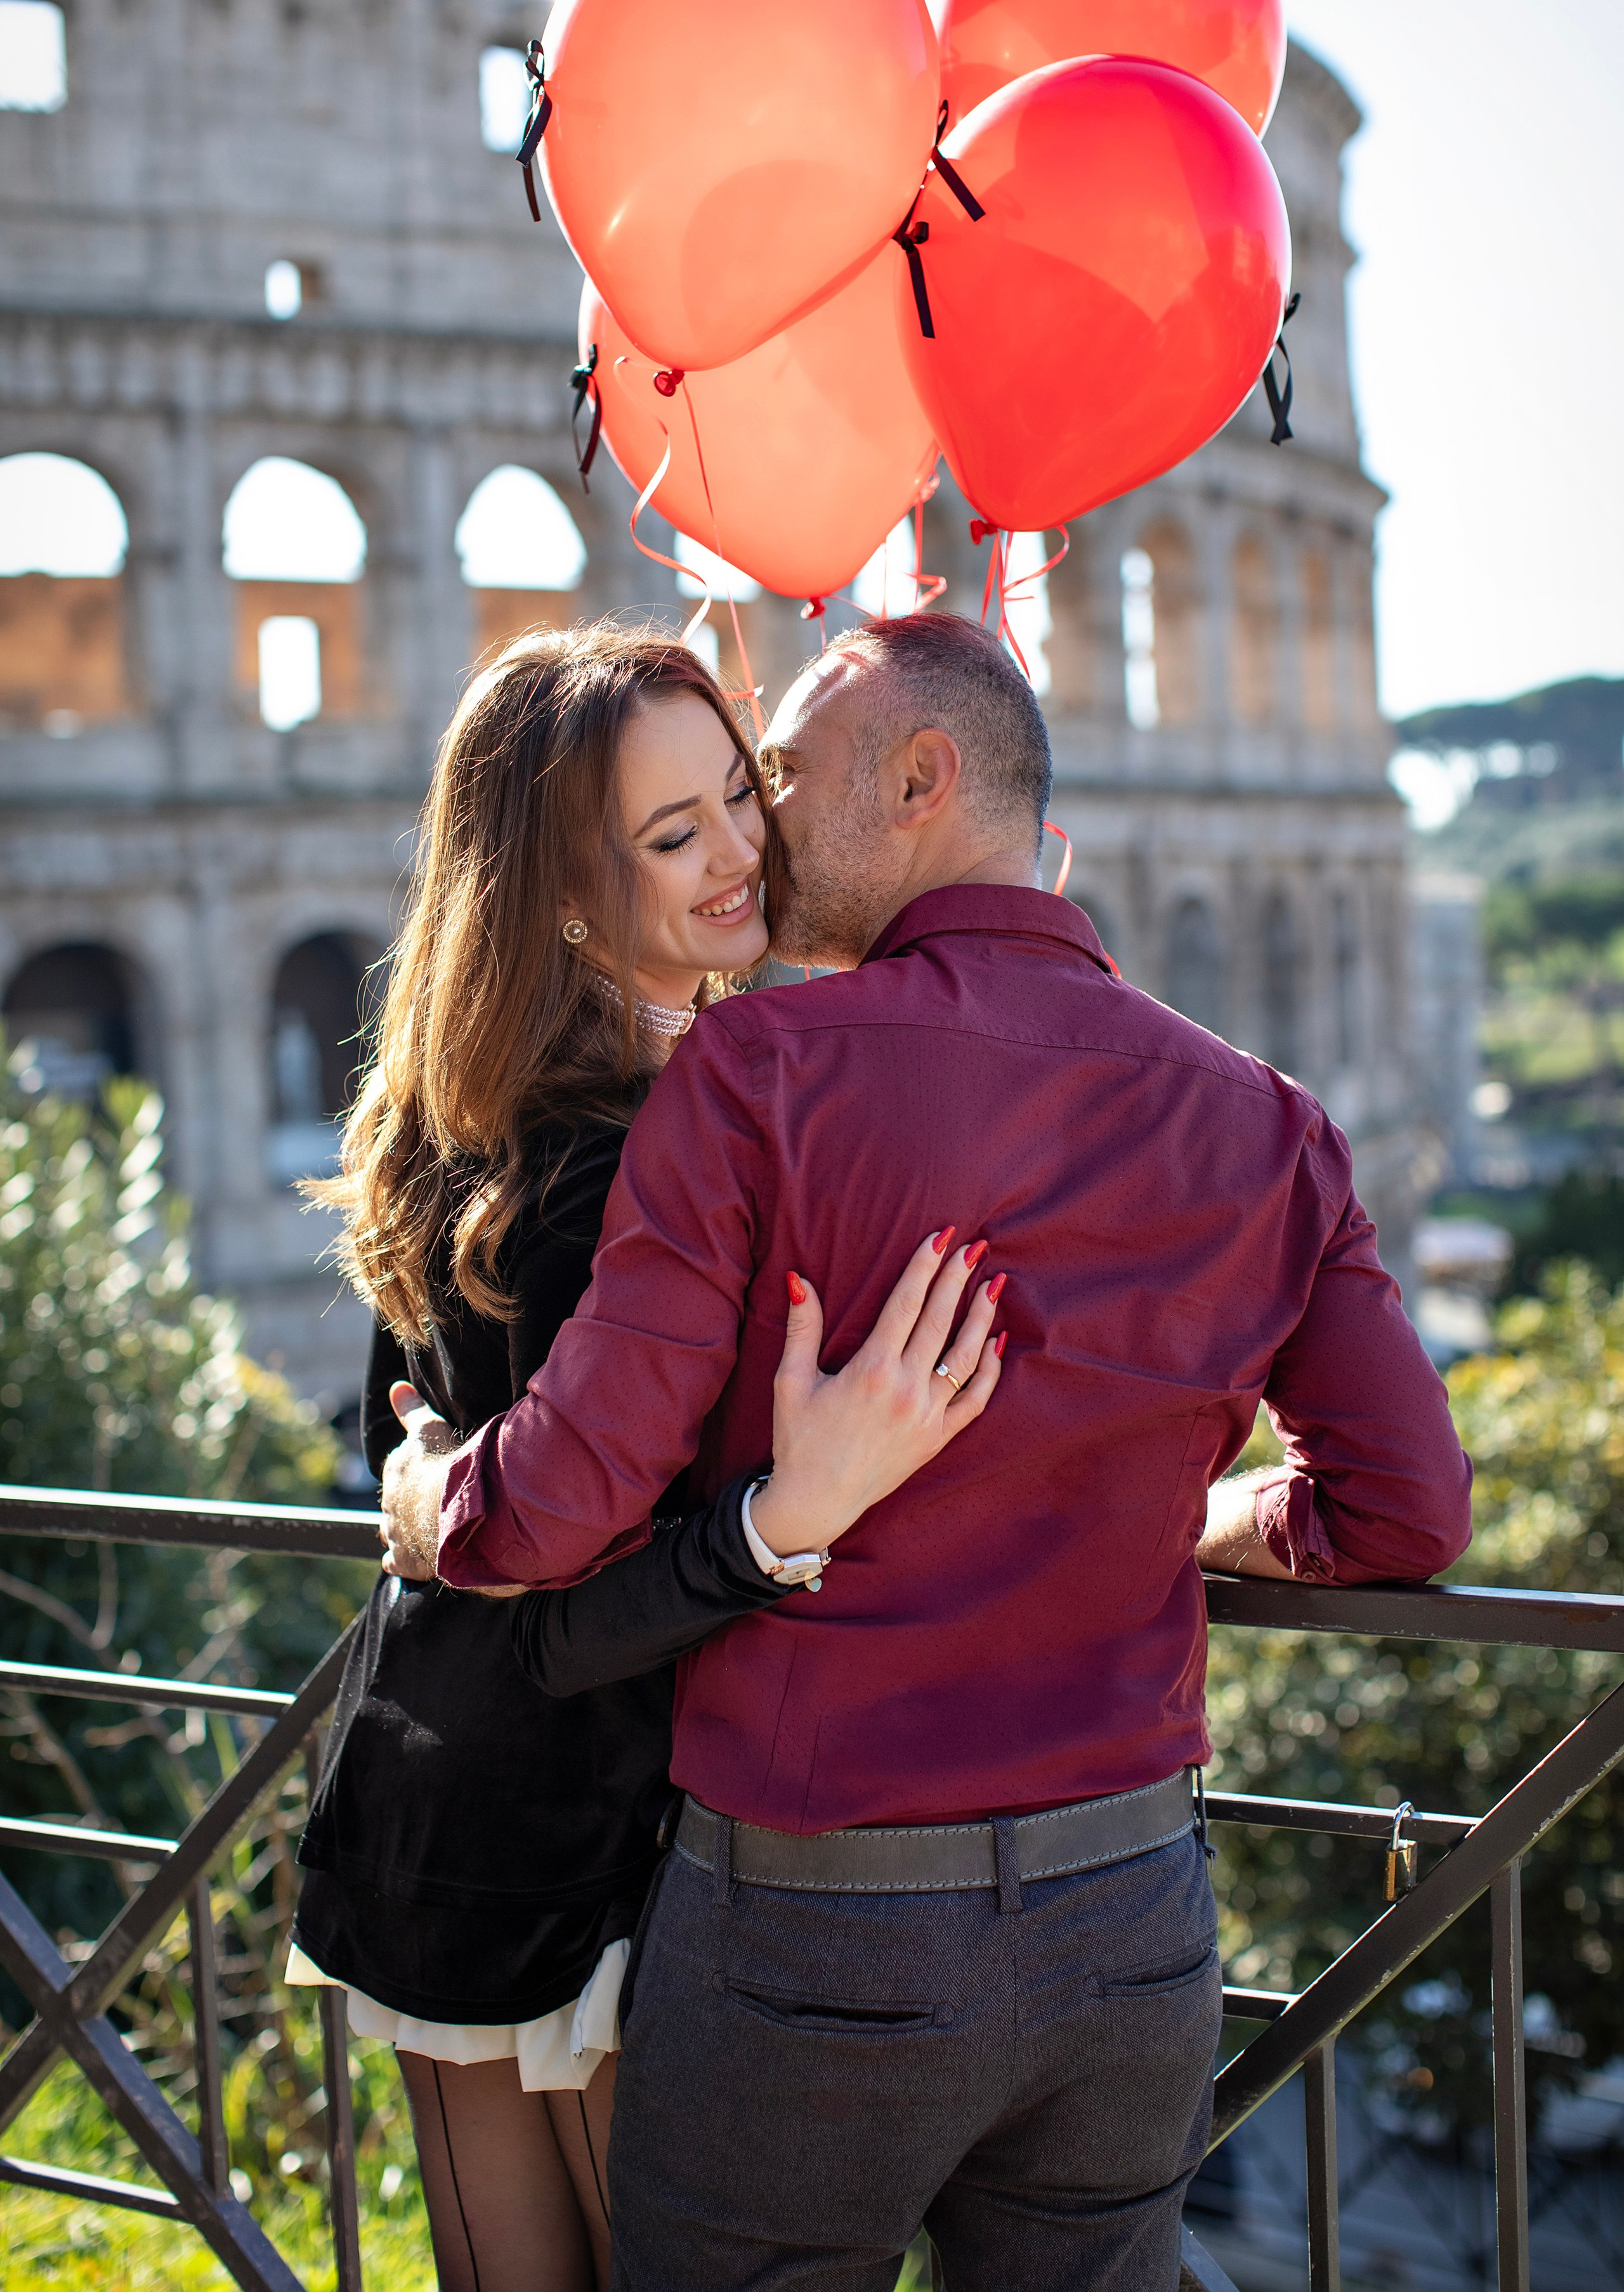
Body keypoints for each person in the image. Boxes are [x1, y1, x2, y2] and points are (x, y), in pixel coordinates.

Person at [386, 610, 1474, 2292]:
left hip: (813, 1929)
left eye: (784, 778)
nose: (761, 827)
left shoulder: (751, 1072)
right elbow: (1405, 1509)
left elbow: (548, 1515)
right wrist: (1201, 1516)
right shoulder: (1271, 1121)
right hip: (1135, 1918)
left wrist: (424, 1495)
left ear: (916, 782)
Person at [289, 623, 1005, 2292]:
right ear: (559, 894)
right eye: (675, 835)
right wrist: (787, 1520)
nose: (743, 852)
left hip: (432, 1777)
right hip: (581, 1821)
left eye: (741, 796)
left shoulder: (465, 1114)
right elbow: (561, 1601)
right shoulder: (626, 1160)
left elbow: (412, 1449)